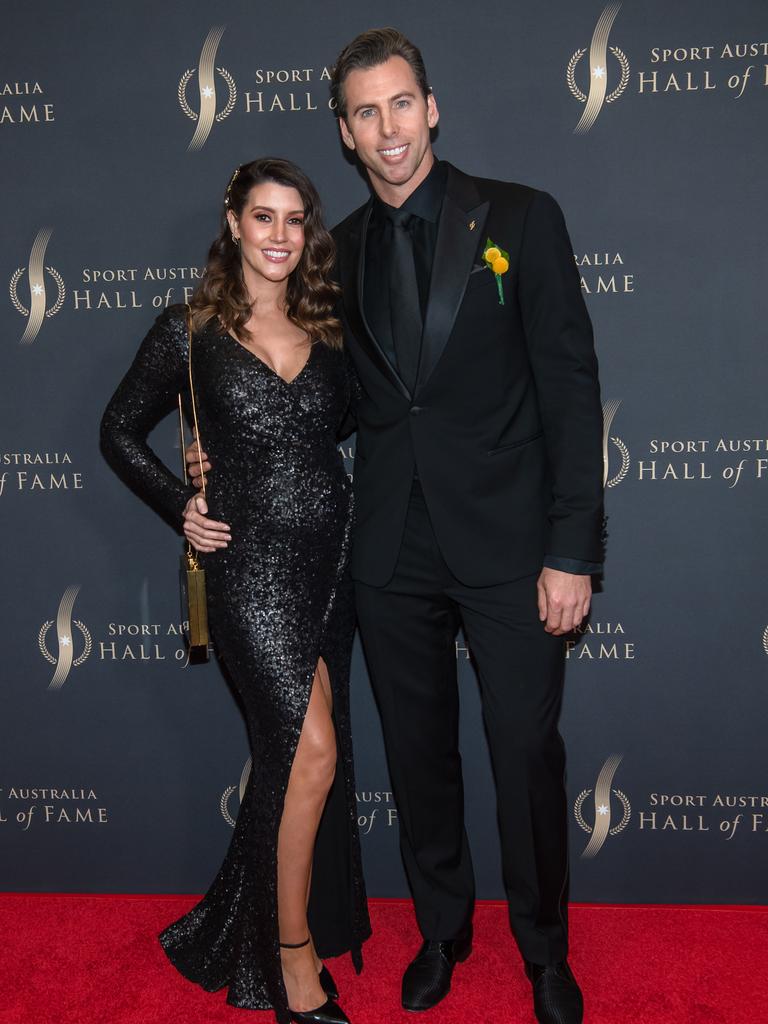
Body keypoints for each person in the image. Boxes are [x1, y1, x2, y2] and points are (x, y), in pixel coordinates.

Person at [185, 28, 604, 1024]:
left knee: (523, 749)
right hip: (388, 551)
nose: (388, 128)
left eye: (401, 103)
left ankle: (544, 945)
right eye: (365, 112)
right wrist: (213, 466)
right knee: (420, 758)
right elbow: (304, 396)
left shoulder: (521, 218)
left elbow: (572, 389)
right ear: (345, 131)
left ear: (432, 107)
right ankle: (443, 929)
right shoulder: (339, 258)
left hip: (511, 547)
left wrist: (573, 548)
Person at [100, 157, 370, 1024]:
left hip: (331, 566)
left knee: (297, 760)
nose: (281, 236)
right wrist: (183, 504)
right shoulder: (187, 330)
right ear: (233, 221)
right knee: (314, 750)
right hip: (249, 569)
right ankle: (290, 958)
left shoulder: (330, 326)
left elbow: (355, 431)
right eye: (265, 217)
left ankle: (245, 920)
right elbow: (117, 430)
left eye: (296, 220)